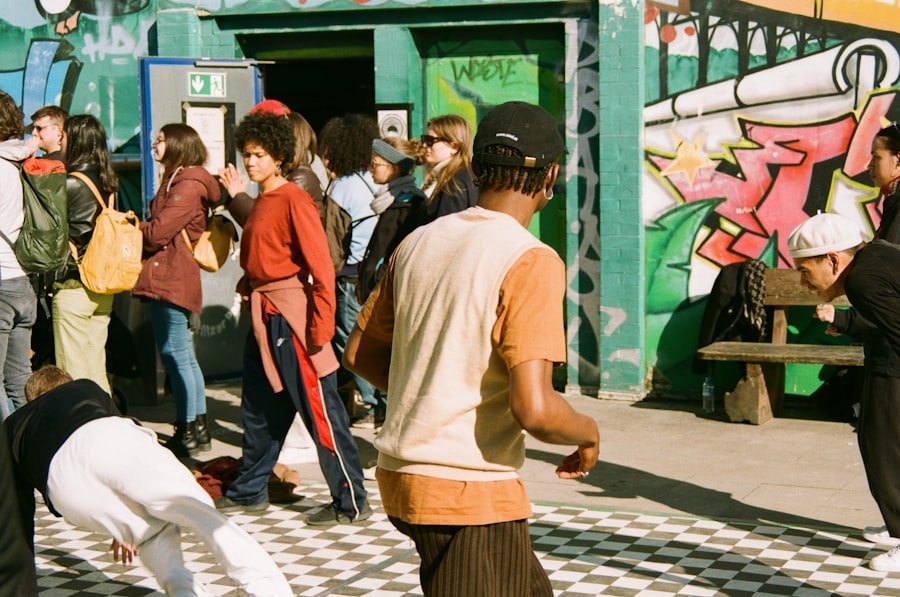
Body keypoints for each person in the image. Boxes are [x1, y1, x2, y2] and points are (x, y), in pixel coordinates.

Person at [344, 101, 600, 595]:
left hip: (402, 474)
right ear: (551, 175)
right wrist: (588, 434)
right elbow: (536, 408)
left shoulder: (418, 242)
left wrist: (434, 390)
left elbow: (360, 355)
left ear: (477, 168)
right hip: (467, 490)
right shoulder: (530, 259)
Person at [3, 365, 292, 596]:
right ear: (65, 384)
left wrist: (118, 526)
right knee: (204, 516)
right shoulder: (83, 389)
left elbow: (14, 520)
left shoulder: (14, 427)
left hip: (64, 487)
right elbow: (122, 448)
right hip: (106, 436)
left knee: (153, 538)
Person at [216, 109, 370, 525]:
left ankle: (350, 499)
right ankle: (250, 489)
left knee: (320, 409)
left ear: (280, 156)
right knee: (260, 408)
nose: (251, 162)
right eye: (247, 154)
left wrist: (319, 328)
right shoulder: (265, 199)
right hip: (263, 315)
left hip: (291, 318)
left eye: (260, 154)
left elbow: (321, 268)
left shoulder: (294, 199)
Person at [787, 211, 900, 571]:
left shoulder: (862, 279)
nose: (804, 283)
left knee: (882, 451)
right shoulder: (872, 261)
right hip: (889, 364)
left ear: (833, 259)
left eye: (806, 271)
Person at [132, 123, 220, 457]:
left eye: (161, 140)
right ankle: (196, 428)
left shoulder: (186, 185)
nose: (155, 144)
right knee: (182, 355)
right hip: (172, 275)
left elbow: (156, 233)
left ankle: (189, 428)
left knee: (176, 354)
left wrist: (130, 227)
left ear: (179, 145)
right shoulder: (180, 181)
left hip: (172, 278)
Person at [318, 114, 381, 424]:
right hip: (379, 271)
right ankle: (384, 398)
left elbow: (332, 244)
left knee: (351, 339)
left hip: (350, 276)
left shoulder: (340, 188)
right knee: (379, 335)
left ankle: (370, 402)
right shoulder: (376, 180)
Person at [53, 114, 118, 394]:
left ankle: (83, 431)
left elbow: (53, 234)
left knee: (74, 374)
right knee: (95, 367)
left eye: (64, 135)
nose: (60, 140)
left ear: (76, 140)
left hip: (74, 284)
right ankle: (106, 424)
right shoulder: (107, 181)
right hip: (103, 285)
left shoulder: (69, 183)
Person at [0, 90, 39, 420]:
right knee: (18, 379)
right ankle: (26, 453)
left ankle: (5, 465)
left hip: (0, 282)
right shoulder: (22, 161)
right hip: (23, 283)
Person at [416, 114, 477, 225]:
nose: (424, 145)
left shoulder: (454, 183)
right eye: (424, 139)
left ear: (454, 147)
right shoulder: (464, 175)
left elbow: (446, 233)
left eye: (430, 140)